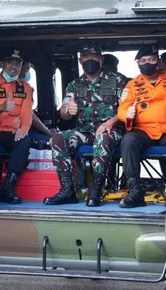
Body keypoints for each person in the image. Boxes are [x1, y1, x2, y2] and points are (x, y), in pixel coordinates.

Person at [44, 43, 128, 207]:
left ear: (101, 59)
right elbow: (63, 112)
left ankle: (96, 190)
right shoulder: (74, 85)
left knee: (102, 139)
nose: (90, 60)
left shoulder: (117, 80)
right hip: (85, 131)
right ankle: (67, 190)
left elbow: (126, 108)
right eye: (86, 57)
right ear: (81, 60)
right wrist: (68, 110)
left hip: (111, 129)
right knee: (58, 139)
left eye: (94, 57)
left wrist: (109, 122)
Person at [117, 44, 166, 208]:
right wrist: (127, 115)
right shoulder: (132, 85)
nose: (148, 63)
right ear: (138, 64)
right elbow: (122, 107)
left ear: (158, 61)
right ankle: (135, 191)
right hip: (144, 131)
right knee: (129, 140)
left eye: (152, 59)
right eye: (143, 60)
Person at [0, 47, 33, 203]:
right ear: (2, 64)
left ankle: (8, 187)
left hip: (11, 132)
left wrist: (24, 129)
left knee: (24, 140)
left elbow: (27, 112)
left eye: (17, 63)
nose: (14, 67)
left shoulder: (25, 87)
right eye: (10, 62)